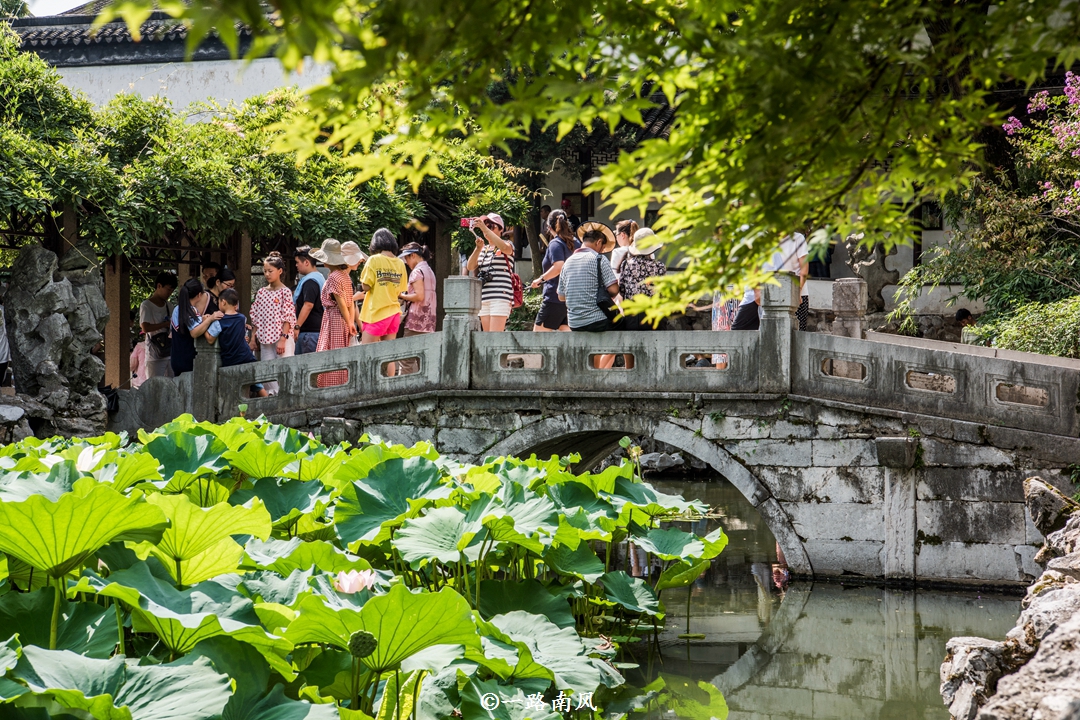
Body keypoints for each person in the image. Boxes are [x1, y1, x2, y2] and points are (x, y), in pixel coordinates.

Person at [559, 226, 620, 367]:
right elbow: (614, 290)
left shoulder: (568, 262)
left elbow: (561, 297)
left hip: (574, 322)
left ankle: (594, 371)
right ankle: (598, 373)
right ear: (599, 242)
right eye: (603, 247)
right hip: (597, 321)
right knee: (621, 329)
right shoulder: (599, 259)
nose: (602, 250)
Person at [310, 238, 363, 387]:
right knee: (341, 351)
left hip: (334, 318)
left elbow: (340, 303)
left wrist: (349, 322)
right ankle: (343, 383)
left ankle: (331, 385)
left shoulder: (333, 277)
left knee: (332, 351)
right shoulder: (345, 276)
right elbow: (350, 303)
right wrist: (351, 323)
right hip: (344, 319)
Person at [249, 252, 297, 395]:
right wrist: (253, 338)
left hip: (282, 337)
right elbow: (255, 317)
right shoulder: (261, 292)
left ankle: (285, 396)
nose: (267, 274)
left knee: (283, 369)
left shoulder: (285, 292)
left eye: (270, 271)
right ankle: (271, 396)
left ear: (279, 271)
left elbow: (288, 316)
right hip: (264, 338)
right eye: (265, 271)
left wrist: (283, 339)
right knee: (267, 371)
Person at [204, 288, 267, 397]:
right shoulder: (242, 318)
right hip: (247, 357)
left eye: (218, 302)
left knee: (234, 390)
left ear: (223, 302)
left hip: (231, 359)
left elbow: (210, 339)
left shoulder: (219, 321)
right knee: (257, 385)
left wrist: (205, 323)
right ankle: (268, 404)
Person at [529, 209, 578, 332]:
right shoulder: (577, 242)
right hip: (572, 298)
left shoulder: (555, 243)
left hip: (554, 297)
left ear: (548, 227)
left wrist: (540, 279)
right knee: (566, 334)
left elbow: (558, 267)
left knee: (538, 338)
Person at [466, 213, 516, 332]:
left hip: (500, 296)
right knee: (487, 339)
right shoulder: (484, 248)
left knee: (494, 337)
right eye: (486, 225)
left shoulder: (508, 244)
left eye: (491, 226)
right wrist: (478, 249)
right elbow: (470, 266)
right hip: (484, 297)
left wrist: (483, 228)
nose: (487, 228)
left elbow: (505, 248)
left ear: (500, 229)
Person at [358, 229, 408, 344]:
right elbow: (400, 290)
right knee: (387, 357)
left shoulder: (373, 260)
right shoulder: (400, 263)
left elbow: (366, 287)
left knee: (367, 355)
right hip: (394, 314)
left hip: (376, 313)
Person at [170, 278, 221, 376]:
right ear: (199, 295)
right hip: (188, 360)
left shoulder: (177, 309)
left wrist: (202, 319)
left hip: (176, 359)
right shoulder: (191, 310)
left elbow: (185, 324)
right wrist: (211, 319)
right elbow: (194, 332)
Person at [140, 272, 178, 378]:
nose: (170, 293)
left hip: (169, 352)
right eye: (168, 289)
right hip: (154, 354)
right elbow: (145, 327)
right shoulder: (146, 305)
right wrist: (165, 324)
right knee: (154, 386)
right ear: (159, 286)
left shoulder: (169, 306)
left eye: (172, 290)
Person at [619, 228, 666, 305]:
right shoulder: (659, 267)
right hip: (652, 311)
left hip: (632, 311)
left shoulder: (625, 264)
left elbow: (622, 290)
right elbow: (663, 292)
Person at [398, 242, 437, 336]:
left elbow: (419, 296)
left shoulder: (417, 271)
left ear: (413, 255)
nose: (406, 263)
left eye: (406, 258)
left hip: (416, 321)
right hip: (429, 321)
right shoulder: (429, 270)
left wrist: (401, 295)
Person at [293, 246, 325, 355]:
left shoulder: (310, 281)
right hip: (316, 332)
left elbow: (308, 305)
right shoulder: (320, 277)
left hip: (309, 334)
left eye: (297, 262)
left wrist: (297, 326)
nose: (296, 265)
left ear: (306, 262)